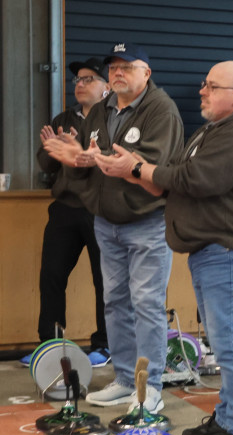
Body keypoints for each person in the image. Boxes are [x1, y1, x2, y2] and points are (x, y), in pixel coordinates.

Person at [95, 61, 233, 435]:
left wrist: (138, 168)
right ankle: (227, 419)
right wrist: (135, 171)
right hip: (212, 250)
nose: (202, 91)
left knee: (231, 348)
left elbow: (197, 180)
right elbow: (175, 178)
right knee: (224, 344)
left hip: (230, 251)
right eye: (204, 84)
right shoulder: (215, 130)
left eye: (212, 86)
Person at [43, 42, 183, 414]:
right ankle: (124, 379)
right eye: (114, 67)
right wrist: (77, 159)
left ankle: (150, 386)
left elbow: (147, 166)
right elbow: (87, 162)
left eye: (127, 66)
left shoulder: (161, 110)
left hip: (147, 221)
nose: (118, 72)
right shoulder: (102, 110)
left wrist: (94, 158)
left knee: (147, 304)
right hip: (106, 222)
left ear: (146, 73)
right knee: (115, 303)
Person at [28, 57, 112, 367]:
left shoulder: (114, 118)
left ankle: (105, 344)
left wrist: (81, 152)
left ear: (106, 87)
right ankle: (50, 345)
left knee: (105, 280)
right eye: (78, 79)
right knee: (51, 275)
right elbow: (46, 164)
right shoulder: (64, 118)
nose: (79, 84)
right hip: (65, 207)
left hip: (100, 209)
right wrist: (55, 150)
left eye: (89, 79)